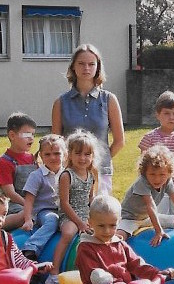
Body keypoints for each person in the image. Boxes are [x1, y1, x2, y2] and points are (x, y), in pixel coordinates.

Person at [50, 43, 125, 195]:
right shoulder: (60, 102)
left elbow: (119, 141)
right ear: (73, 67)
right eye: (81, 64)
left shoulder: (109, 99)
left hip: (101, 171)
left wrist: (100, 159)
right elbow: (56, 142)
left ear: (98, 67)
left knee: (101, 214)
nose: (86, 68)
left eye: (91, 64)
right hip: (69, 172)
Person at [117, 144, 174, 245]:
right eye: (152, 174)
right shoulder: (142, 182)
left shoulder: (167, 181)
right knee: (119, 238)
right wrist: (159, 231)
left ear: (169, 173)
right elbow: (151, 206)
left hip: (147, 217)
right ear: (144, 172)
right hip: (130, 218)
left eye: (162, 174)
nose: (157, 179)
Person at [51, 130, 100, 272]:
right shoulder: (67, 175)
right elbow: (64, 204)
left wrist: (95, 215)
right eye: (78, 153)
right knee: (68, 233)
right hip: (69, 216)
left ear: (92, 156)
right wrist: (79, 223)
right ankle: (54, 269)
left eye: (87, 154)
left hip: (85, 214)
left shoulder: (91, 174)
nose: (82, 158)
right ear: (70, 155)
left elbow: (90, 198)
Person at [138, 91, 174, 198]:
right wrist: (144, 189)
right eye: (167, 113)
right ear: (158, 115)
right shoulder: (149, 138)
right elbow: (143, 167)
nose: (171, 117)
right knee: (159, 214)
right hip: (156, 187)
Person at [19, 133, 65, 260]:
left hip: (65, 210)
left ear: (65, 154)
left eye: (57, 153)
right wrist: (28, 219)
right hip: (44, 211)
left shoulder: (67, 173)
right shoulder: (37, 175)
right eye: (47, 154)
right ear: (41, 156)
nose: (53, 157)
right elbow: (29, 200)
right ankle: (31, 247)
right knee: (53, 220)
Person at [0, 112, 38, 231]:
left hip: (34, 201)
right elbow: (10, 193)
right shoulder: (4, 162)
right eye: (27, 134)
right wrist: (28, 206)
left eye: (33, 134)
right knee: (24, 215)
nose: (31, 138)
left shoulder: (33, 159)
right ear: (12, 135)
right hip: (16, 204)